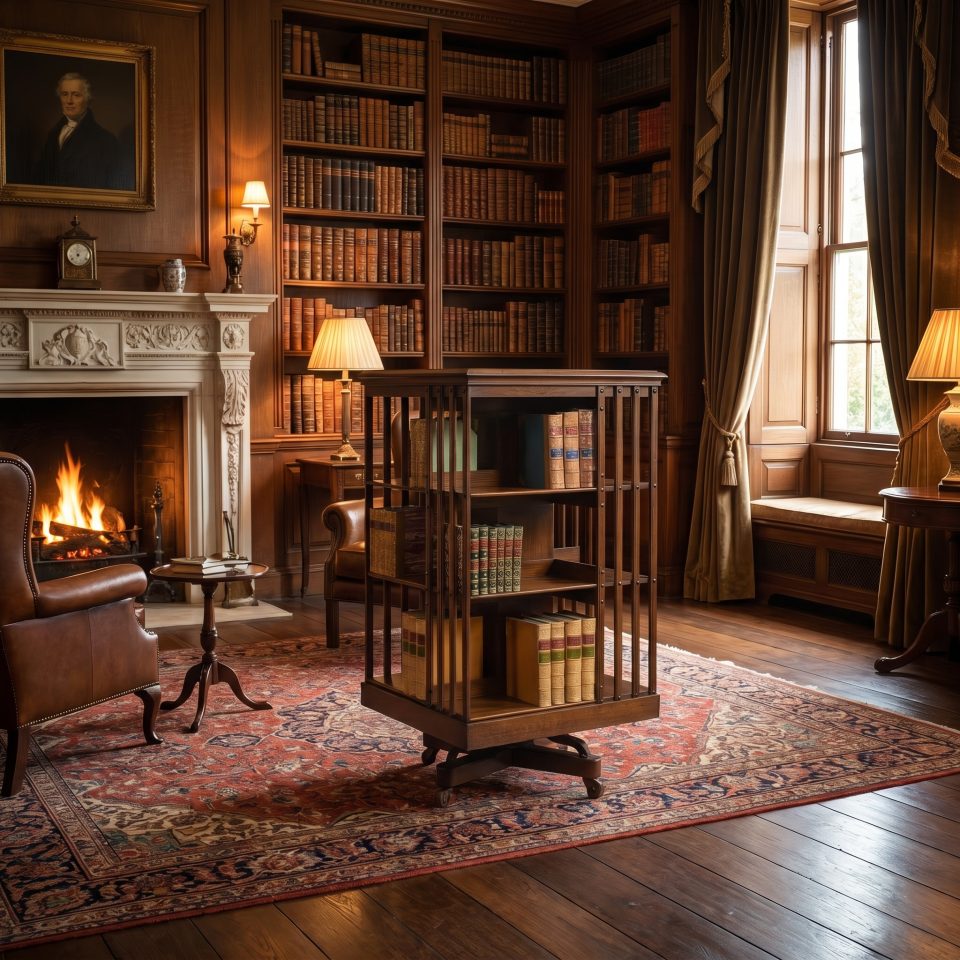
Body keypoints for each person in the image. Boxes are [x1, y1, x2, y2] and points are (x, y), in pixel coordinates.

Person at [34, 72, 124, 189]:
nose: (69, 101)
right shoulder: (53, 134)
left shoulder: (105, 140)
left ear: (88, 99)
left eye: (76, 95)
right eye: (64, 94)